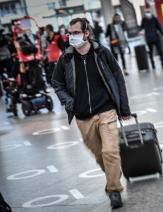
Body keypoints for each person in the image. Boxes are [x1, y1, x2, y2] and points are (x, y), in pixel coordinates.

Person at [52, 18, 131, 209]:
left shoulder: (102, 52)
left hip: (106, 110)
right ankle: (113, 174)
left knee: (110, 151)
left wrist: (124, 108)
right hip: (82, 116)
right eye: (70, 33)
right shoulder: (66, 59)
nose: (72, 36)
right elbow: (57, 83)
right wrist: (69, 101)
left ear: (87, 33)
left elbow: (118, 78)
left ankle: (114, 190)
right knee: (99, 155)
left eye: (76, 32)